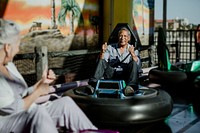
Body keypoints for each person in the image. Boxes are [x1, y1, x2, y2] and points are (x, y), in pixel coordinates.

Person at [0, 19, 98, 133]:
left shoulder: (9, 66)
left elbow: (22, 94)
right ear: (7, 47)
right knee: (38, 113)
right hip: (6, 123)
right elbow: (12, 109)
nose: (18, 50)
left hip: (28, 112)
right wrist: (38, 92)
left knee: (65, 103)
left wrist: (41, 84)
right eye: (17, 45)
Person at [89, 27, 141, 95]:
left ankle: (131, 87)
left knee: (134, 62)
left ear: (128, 38)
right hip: (112, 73)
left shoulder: (133, 49)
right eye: (121, 36)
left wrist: (132, 54)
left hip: (126, 74)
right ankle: (93, 85)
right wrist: (102, 52)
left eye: (125, 36)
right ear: (118, 37)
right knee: (101, 60)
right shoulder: (110, 48)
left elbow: (138, 66)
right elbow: (102, 60)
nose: (122, 38)